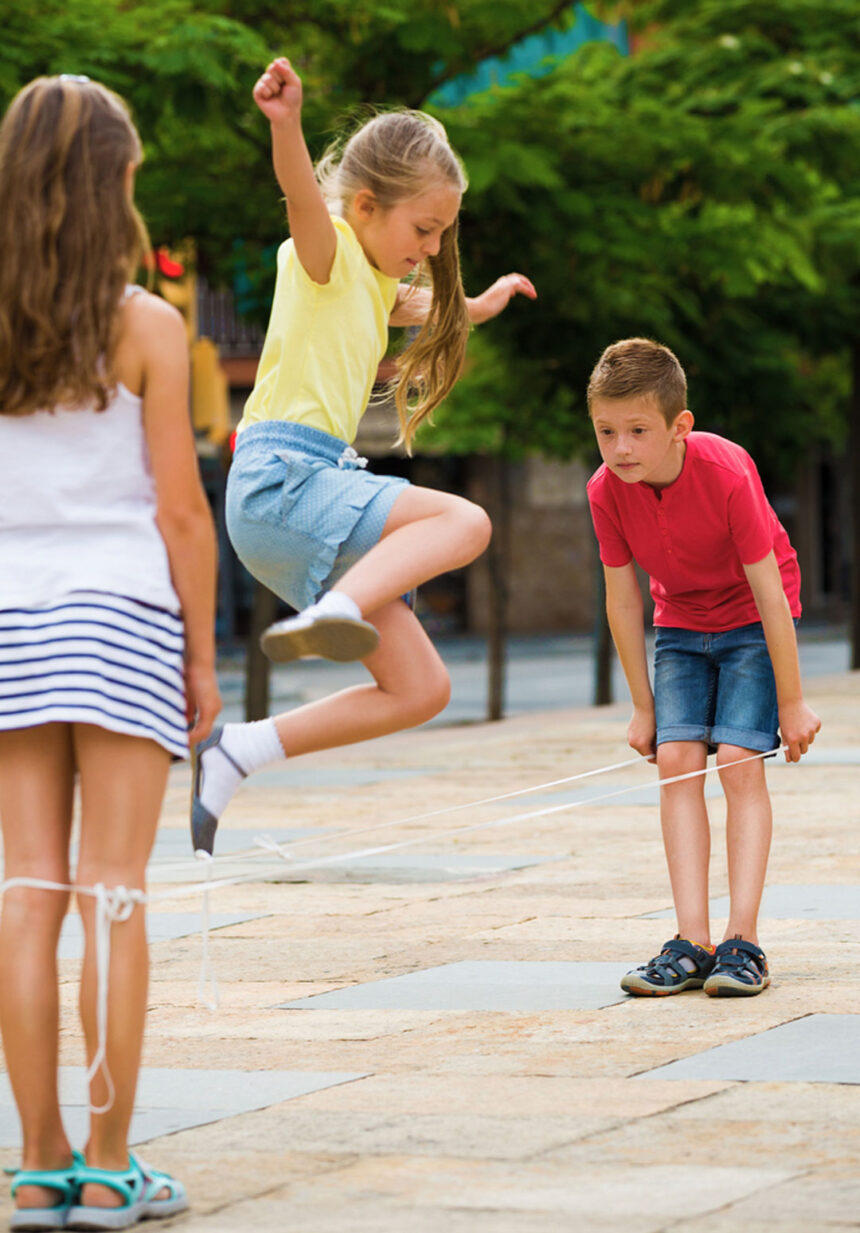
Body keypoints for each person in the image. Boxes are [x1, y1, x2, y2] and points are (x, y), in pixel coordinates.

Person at [191, 57, 536, 854]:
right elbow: (304, 198)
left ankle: (239, 750)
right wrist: (286, 124)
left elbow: (428, 305)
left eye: (444, 233)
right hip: (282, 481)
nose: (431, 247)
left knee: (422, 689)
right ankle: (335, 612)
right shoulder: (327, 254)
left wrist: (477, 303)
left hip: (307, 493)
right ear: (367, 205)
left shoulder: (375, 283)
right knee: (466, 520)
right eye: (424, 230)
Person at [0, 76, 220, 1229]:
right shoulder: (144, 326)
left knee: (27, 891)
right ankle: (109, 1163)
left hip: (8, 621)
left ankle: (37, 1166)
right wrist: (202, 658)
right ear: (109, 184)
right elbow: (182, 513)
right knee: (115, 895)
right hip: (123, 616)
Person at [586, 338, 820, 998]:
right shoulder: (606, 490)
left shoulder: (726, 469)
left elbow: (771, 590)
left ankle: (742, 942)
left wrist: (794, 701)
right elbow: (623, 595)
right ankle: (691, 941)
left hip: (752, 614)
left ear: (678, 425)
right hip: (682, 623)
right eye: (607, 431)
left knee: (739, 761)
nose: (621, 447)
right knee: (676, 762)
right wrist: (642, 705)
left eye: (638, 430)